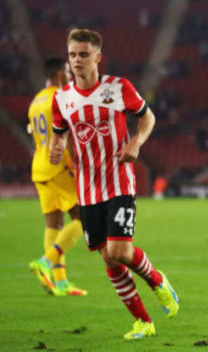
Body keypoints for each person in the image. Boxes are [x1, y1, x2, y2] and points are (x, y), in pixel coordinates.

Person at [50, 28, 179, 340]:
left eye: (83, 54)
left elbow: (147, 118)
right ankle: (143, 322)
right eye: (72, 55)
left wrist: (136, 142)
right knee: (108, 257)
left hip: (119, 181)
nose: (77, 60)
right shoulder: (62, 98)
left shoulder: (118, 88)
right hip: (86, 188)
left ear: (97, 56)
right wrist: (57, 145)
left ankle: (157, 280)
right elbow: (59, 132)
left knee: (120, 251)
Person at [28, 57, 87, 297]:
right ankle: (45, 261)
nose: (71, 76)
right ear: (60, 74)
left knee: (54, 223)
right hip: (60, 166)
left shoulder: (35, 101)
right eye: (68, 72)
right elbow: (68, 135)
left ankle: (60, 282)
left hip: (39, 168)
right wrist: (78, 165)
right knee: (83, 218)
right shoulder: (61, 96)